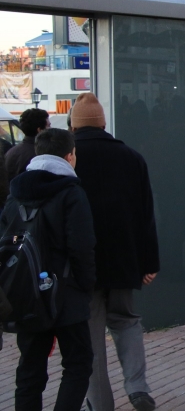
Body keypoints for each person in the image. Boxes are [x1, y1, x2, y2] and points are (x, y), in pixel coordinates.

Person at [69, 93, 160, 411]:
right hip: (125, 258)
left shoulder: (69, 158)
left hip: (84, 263)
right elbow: (145, 213)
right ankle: (138, 387)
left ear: (73, 125)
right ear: (104, 122)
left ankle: (100, 403)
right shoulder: (131, 157)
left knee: (91, 335)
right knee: (127, 320)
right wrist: (149, 262)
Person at [6, 128, 95, 411]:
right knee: (78, 363)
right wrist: (85, 283)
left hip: (25, 291)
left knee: (30, 368)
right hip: (66, 292)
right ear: (70, 156)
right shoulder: (71, 192)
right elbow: (81, 245)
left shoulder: (15, 193)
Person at [5, 108, 50, 179]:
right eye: (48, 126)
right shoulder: (39, 155)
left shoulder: (11, 152)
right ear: (39, 130)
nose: (51, 129)